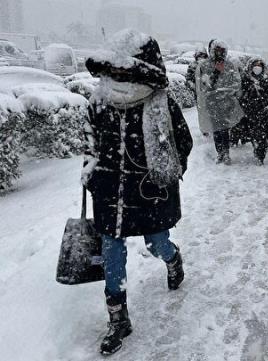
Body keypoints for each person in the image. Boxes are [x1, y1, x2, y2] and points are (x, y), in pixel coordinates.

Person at [83, 29, 193, 355]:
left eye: (122, 70)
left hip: (149, 192)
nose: (116, 76)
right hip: (110, 193)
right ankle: (118, 318)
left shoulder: (160, 103)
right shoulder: (99, 101)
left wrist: (165, 173)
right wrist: (91, 175)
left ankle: (173, 259)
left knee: (156, 243)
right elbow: (90, 145)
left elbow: (182, 144)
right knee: (112, 251)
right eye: (113, 70)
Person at [195, 39, 243, 164]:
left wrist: (228, 92)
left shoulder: (230, 65)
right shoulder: (204, 65)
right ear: (211, 51)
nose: (220, 53)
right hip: (212, 102)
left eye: (222, 51)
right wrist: (216, 72)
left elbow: (236, 83)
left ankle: (226, 153)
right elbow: (204, 85)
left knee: (225, 128)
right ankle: (219, 153)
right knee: (216, 128)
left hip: (227, 102)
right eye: (217, 50)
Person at [239, 57, 268, 164]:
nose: (257, 68)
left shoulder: (266, 80)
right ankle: (255, 147)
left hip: (263, 113)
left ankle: (260, 155)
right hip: (249, 113)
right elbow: (241, 96)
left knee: (262, 136)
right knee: (250, 134)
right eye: (255, 66)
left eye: (259, 66)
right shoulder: (245, 80)